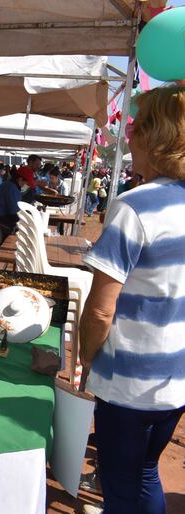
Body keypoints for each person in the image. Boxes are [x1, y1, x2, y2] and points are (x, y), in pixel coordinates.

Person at [79, 85, 185, 514]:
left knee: (123, 489)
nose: (131, 138)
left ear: (154, 137)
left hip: (128, 385)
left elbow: (100, 309)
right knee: (144, 475)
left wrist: (88, 360)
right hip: (174, 380)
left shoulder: (134, 207)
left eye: (137, 128)